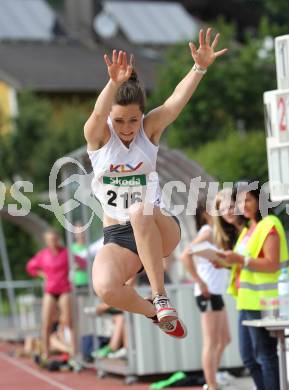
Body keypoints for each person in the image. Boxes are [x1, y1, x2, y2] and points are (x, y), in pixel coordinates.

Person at [84, 27, 227, 338]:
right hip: (118, 235)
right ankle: (157, 314)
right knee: (105, 288)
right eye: (119, 120)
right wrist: (112, 82)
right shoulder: (98, 138)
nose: (126, 128)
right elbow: (96, 113)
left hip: (159, 227)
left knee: (138, 210)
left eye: (133, 120)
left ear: (142, 115)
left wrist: (199, 67)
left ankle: (161, 295)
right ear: (110, 116)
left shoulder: (148, 132)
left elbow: (175, 102)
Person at [221, 184, 289, 390]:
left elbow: (271, 264)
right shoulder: (249, 229)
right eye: (240, 201)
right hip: (246, 301)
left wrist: (240, 260)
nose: (243, 205)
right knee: (249, 359)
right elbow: (243, 262)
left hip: (264, 301)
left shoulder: (269, 223)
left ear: (261, 200)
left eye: (248, 200)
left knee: (264, 357)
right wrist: (225, 261)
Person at [181, 192, 242, 390]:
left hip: (215, 291)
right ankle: (211, 384)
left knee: (225, 339)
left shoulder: (217, 233)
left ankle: (213, 376)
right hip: (207, 291)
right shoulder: (207, 231)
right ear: (205, 215)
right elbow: (184, 256)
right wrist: (200, 282)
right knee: (211, 341)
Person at [26, 229, 86, 363]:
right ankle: (45, 353)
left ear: (58, 239)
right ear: (46, 241)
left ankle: (75, 352)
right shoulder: (43, 255)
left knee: (69, 321)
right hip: (50, 290)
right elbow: (30, 267)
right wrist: (41, 274)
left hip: (65, 289)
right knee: (46, 322)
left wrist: (75, 268)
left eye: (54, 239)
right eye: (49, 240)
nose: (52, 242)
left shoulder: (66, 253)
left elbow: (82, 263)